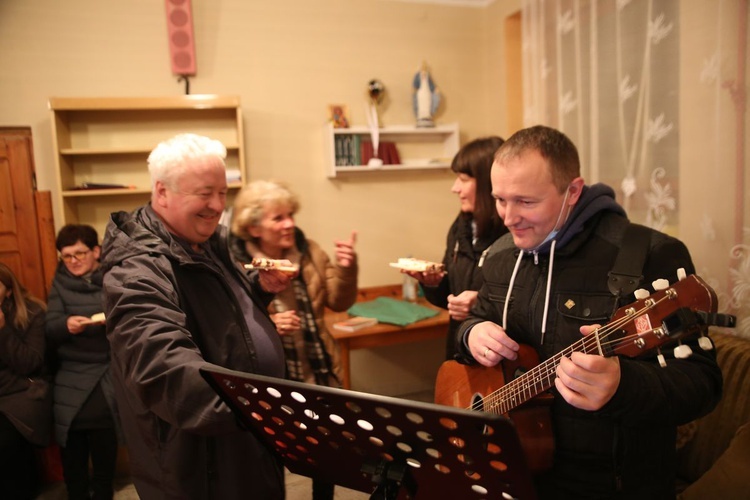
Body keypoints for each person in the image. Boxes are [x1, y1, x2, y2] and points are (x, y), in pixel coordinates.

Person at [453, 125, 722, 498]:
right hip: (514, 468)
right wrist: (471, 332)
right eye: (500, 199)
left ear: (573, 191)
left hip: (610, 485)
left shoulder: (647, 254)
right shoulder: (501, 253)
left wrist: (623, 385)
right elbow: (470, 323)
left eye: (526, 202)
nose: (508, 217)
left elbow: (703, 385)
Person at [99, 133, 291, 499]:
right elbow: (164, 369)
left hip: (244, 447)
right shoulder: (136, 270)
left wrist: (257, 288)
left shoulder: (206, 242)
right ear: (162, 192)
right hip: (200, 468)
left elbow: (214, 311)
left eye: (223, 192)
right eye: (204, 193)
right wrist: (265, 409)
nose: (217, 205)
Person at [230, 179, 358, 500]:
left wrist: (346, 268)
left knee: (323, 453)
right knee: (268, 458)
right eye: (278, 218)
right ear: (254, 227)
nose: (290, 224)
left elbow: (338, 302)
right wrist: (269, 324)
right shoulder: (234, 263)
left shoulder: (310, 251)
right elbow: (227, 323)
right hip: (267, 379)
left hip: (317, 371)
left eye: (290, 215)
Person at [403, 136, 508, 360]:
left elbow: (522, 304)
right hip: (459, 351)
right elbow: (450, 297)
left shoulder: (514, 234)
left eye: (463, 179)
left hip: (498, 359)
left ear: (488, 182)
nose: (455, 188)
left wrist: (480, 302)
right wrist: (433, 282)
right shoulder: (460, 228)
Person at [45, 224, 120, 500]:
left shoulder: (114, 277)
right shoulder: (60, 282)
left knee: (104, 426)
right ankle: (76, 491)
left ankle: (103, 491)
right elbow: (49, 328)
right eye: (67, 256)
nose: (73, 262)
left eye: (80, 254)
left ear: (96, 251)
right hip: (72, 367)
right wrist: (66, 325)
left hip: (106, 366)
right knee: (70, 431)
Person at [0, 262, 51, 499]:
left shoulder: (31, 312)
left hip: (23, 394)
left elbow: (30, 363)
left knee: (6, 443)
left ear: (9, 290)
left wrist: (2, 331)